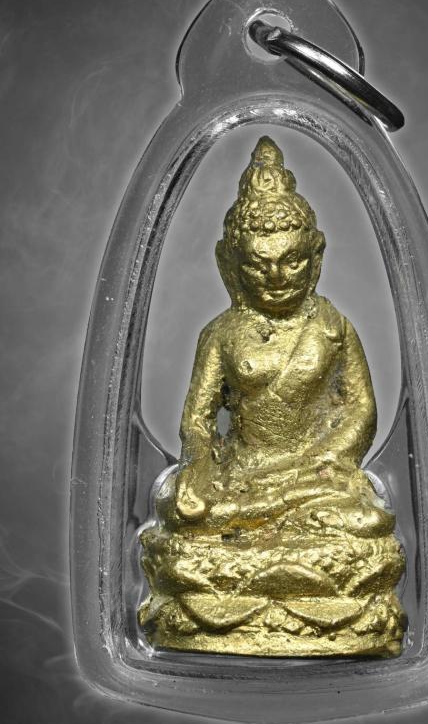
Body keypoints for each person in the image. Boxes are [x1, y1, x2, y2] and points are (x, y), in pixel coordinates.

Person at [139, 137, 405, 656]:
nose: (277, 277)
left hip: (316, 479)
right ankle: (241, 600)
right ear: (231, 264)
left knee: (368, 523)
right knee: (184, 518)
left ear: (315, 255)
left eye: (292, 261)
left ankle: (253, 600)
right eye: (259, 265)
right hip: (239, 478)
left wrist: (328, 460)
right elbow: (197, 419)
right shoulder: (221, 333)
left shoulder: (332, 328)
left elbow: (361, 410)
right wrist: (198, 467)